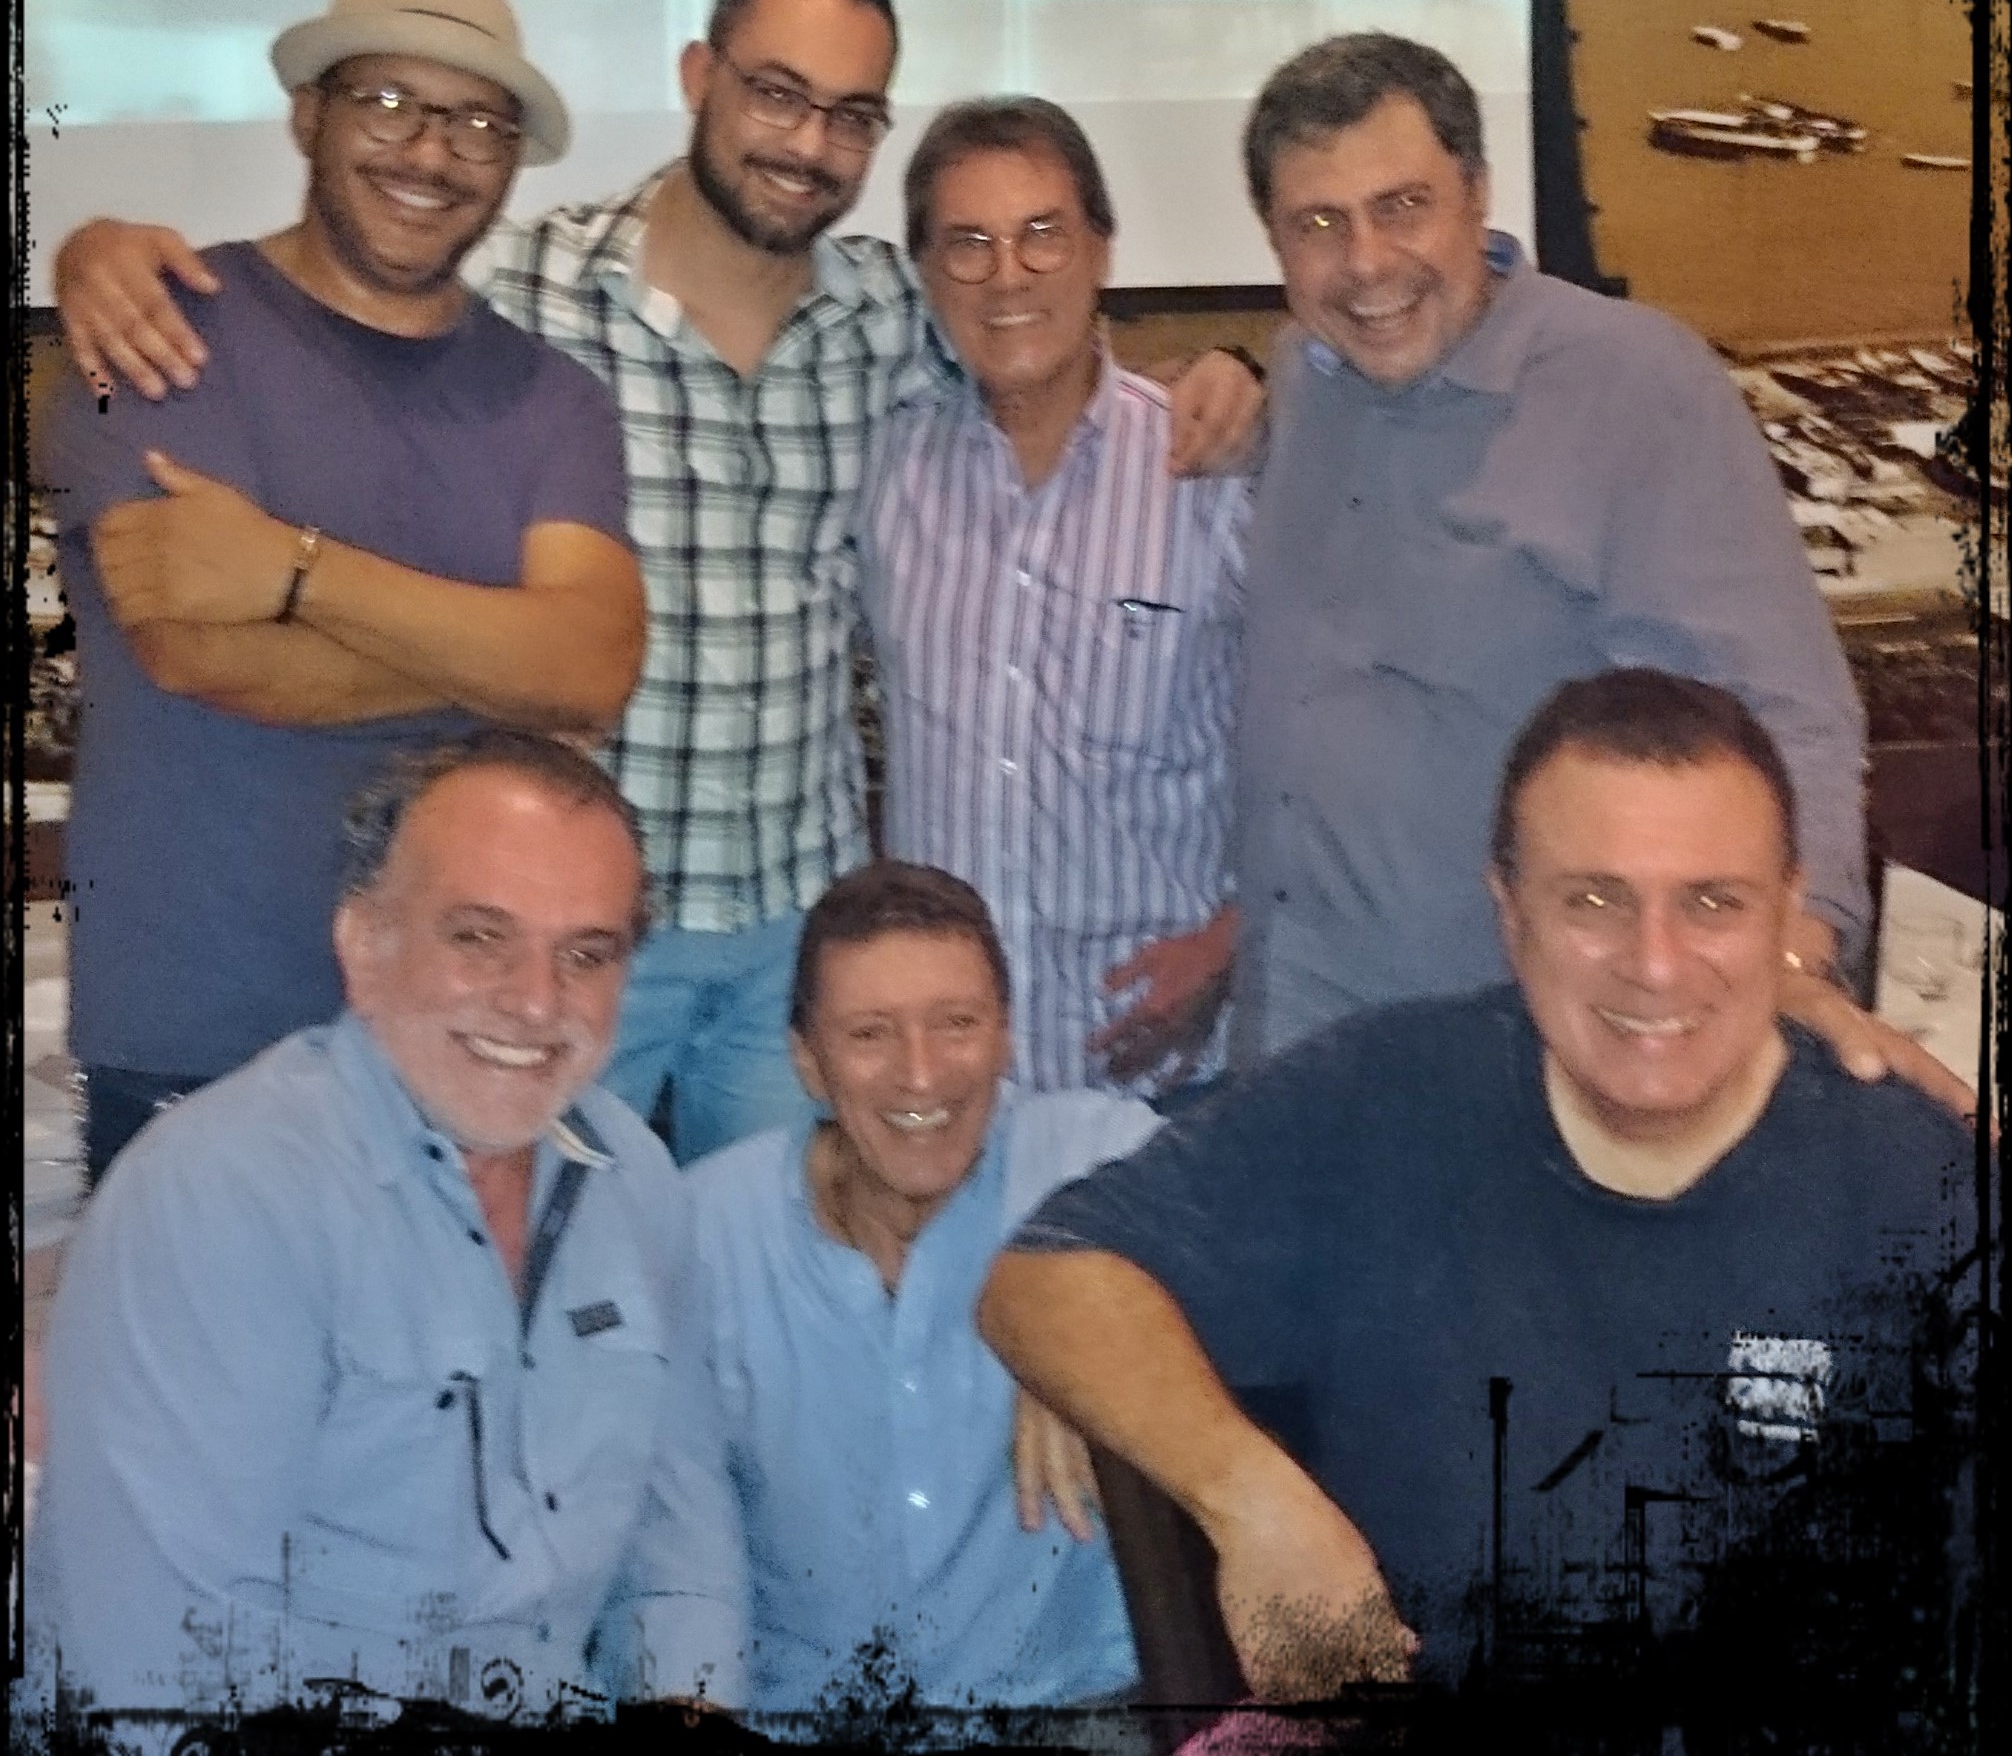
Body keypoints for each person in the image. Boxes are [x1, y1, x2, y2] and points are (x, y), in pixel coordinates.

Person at [52, 0, 1262, 1165]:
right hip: (580, 925)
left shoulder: (893, 316)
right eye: (775, 94)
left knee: (771, 1263)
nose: (807, 143)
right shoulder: (528, 287)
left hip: (792, 931)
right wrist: (93, 250)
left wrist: (1236, 379)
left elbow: (1036, 343)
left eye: (849, 116)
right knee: (545, 1252)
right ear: (696, 76)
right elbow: (343, 283)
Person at [980, 670, 1982, 1734]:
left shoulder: (1915, 1191)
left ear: (1785, 908)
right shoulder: (1384, 1101)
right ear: (1507, 911)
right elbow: (1045, 1274)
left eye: (1710, 902)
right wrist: (1249, 1496)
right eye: (1592, 900)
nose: (1653, 963)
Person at [1221, 32, 1970, 1114]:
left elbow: (1783, 712)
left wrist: (1789, 967)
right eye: (1319, 225)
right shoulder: (1305, 375)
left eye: (1402, 206)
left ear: (1477, 195)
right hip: (1291, 1043)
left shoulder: (1635, 387)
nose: (1367, 262)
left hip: (1529, 1071)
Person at [43, 0, 643, 1183]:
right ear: (308, 112)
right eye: (388, 102)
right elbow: (197, 650)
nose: (430, 152)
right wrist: (505, 667)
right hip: (194, 1033)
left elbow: (589, 666)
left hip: (468, 1043)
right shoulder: (152, 332)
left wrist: (292, 569)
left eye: (477, 122)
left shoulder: (554, 399)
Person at [25, 732, 747, 1718]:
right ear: (364, 946)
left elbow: (681, 1538)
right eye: (479, 938)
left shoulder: (632, 1179)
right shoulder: (225, 1198)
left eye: (586, 954)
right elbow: (160, 1669)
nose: (536, 1001)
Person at [685, 859, 1156, 1721]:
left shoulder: (1096, 1162)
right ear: (807, 1062)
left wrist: (1080, 1321)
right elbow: (670, 1553)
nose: (922, 1074)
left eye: (957, 1024)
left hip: (1070, 1711)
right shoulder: (704, 1234)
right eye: (870, 1033)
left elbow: (1277, 1233)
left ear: (1007, 1035)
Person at [863, 98, 1247, 1100]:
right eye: (967, 245)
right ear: (925, 274)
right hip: (945, 1083)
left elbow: (1327, 741)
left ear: (1101, 250)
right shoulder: (884, 474)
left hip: (1156, 1077)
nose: (1007, 276)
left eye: (1042, 234)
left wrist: (1235, 937)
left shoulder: (1209, 472)